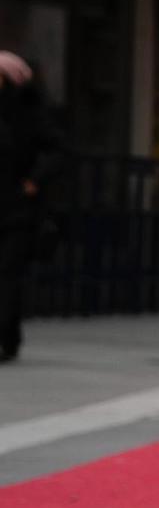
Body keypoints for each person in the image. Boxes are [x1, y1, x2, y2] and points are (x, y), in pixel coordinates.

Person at [0, 51, 64, 361]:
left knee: (7, 273)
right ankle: (8, 336)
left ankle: (5, 337)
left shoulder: (30, 113)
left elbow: (55, 150)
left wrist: (33, 181)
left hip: (18, 206)